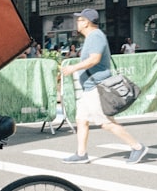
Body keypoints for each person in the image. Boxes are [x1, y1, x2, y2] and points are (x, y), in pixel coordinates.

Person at [59, 9, 148, 165]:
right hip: (89, 87)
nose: (77, 23)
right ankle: (81, 154)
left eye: (79, 20)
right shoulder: (91, 37)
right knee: (81, 120)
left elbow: (94, 59)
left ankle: (137, 146)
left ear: (86, 22)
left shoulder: (95, 36)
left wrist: (73, 68)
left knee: (105, 122)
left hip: (96, 87)